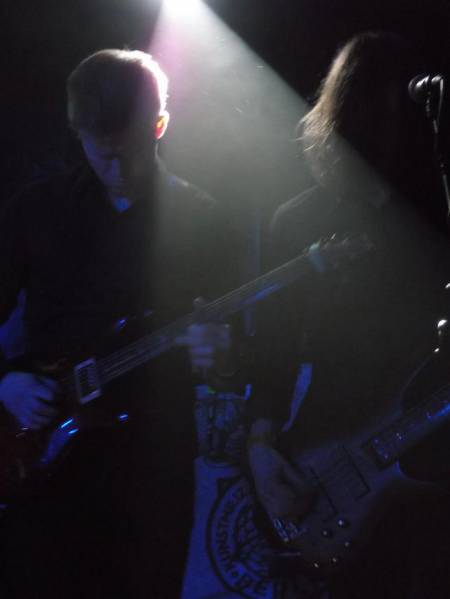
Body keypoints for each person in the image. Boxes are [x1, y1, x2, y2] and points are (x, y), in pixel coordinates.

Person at [0, 49, 236, 598]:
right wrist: (6, 383)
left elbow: (234, 356)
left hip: (152, 466)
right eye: (100, 152)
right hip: (41, 460)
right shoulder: (36, 209)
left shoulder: (203, 219)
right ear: (78, 133)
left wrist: (221, 357)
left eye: (127, 151)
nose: (115, 169)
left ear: (159, 126)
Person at [247, 32, 450, 597]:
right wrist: (260, 446)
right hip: (330, 462)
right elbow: (272, 349)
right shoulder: (299, 222)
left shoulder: (439, 213)